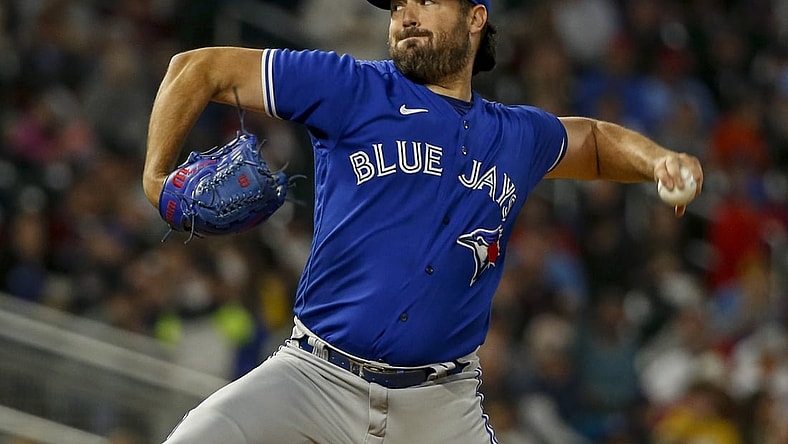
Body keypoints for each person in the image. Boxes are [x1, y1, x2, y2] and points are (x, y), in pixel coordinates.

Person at [142, 0, 704, 442]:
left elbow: (594, 141)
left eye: (427, 0)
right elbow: (197, 68)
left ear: (475, 18)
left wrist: (660, 160)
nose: (405, 14)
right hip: (312, 378)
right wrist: (155, 177)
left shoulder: (516, 135)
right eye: (396, 6)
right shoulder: (352, 87)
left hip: (439, 406)